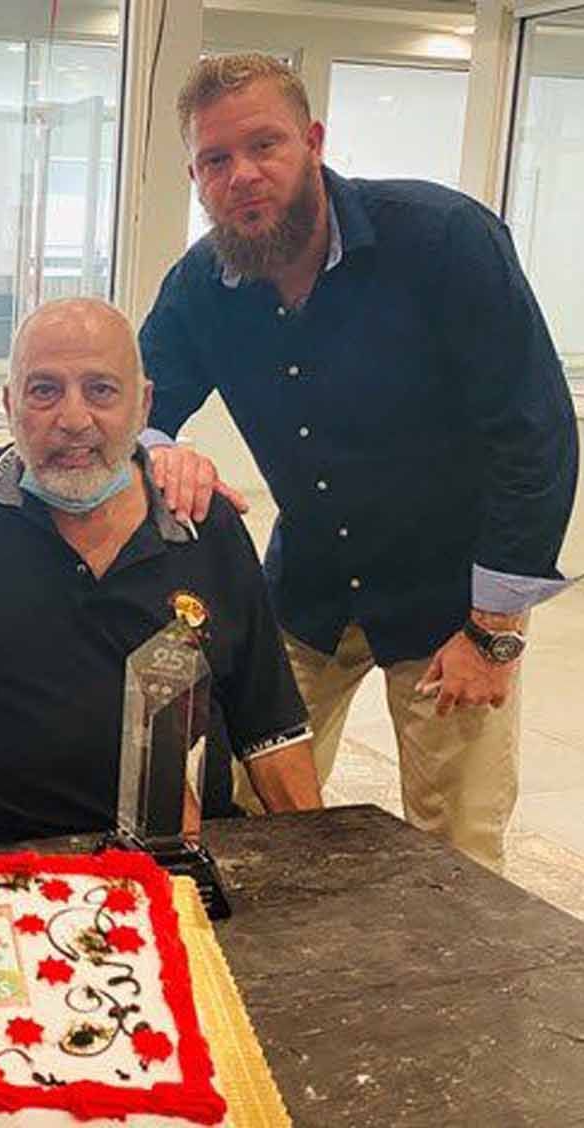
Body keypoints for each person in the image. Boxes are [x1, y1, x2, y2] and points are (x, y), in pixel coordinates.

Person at [137, 54, 577, 870]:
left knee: (457, 851)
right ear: (195, 175)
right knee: (242, 813)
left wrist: (494, 634)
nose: (243, 176)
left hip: (450, 598)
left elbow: (534, 432)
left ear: (312, 141)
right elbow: (135, 406)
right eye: (216, 160)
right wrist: (165, 454)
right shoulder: (203, 284)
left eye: (264, 145)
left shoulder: (444, 240)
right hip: (306, 588)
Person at [0, 298, 322, 849]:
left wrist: (322, 877)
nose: (74, 419)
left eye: (101, 390)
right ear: (10, 404)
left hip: (178, 864)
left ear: (143, 404)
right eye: (44, 390)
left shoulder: (204, 524)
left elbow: (271, 730)